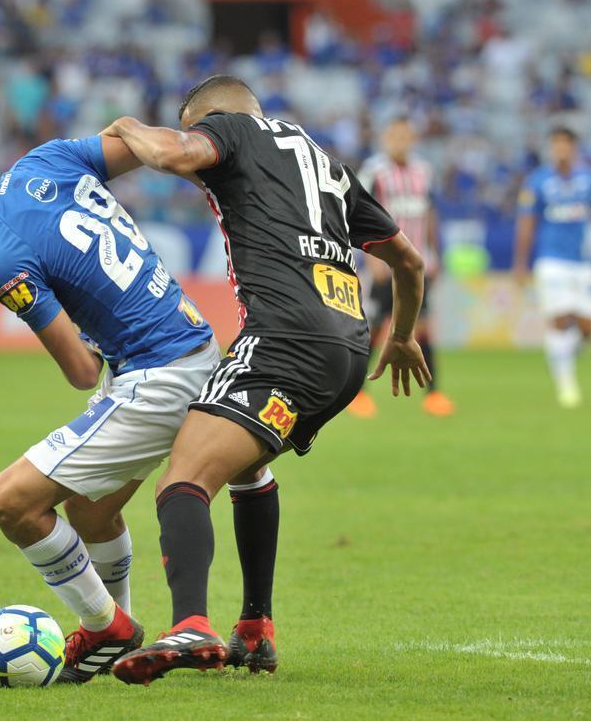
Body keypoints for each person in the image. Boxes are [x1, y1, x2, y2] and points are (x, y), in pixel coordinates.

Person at [98, 75, 429, 684]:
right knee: (248, 466)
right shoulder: (324, 162)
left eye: (198, 126)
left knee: (184, 477)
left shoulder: (231, 127)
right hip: (348, 351)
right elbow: (408, 261)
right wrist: (404, 336)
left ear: (210, 118)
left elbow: (171, 154)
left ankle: (191, 623)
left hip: (283, 341)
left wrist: (125, 127)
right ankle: (255, 629)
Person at [0, 136, 221, 682]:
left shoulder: (3, 258)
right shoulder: (45, 160)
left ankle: (106, 625)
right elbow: (135, 147)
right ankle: (114, 636)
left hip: (156, 377)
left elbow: (81, 372)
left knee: (13, 502)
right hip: (190, 340)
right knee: (90, 511)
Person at [349, 117, 454, 418]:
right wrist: (371, 259)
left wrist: (435, 253)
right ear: (385, 138)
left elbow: (430, 214)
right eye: (394, 136)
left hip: (417, 264)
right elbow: (358, 214)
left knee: (422, 327)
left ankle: (433, 395)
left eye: (405, 136)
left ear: (413, 139)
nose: (400, 141)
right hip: (386, 263)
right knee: (378, 325)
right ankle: (358, 393)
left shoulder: (424, 172)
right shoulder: (374, 172)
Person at [513, 126, 591, 408]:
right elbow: (527, 223)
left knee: (587, 327)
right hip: (551, 261)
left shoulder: (588, 178)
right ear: (551, 149)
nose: (560, 150)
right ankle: (566, 385)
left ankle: (561, 354)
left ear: (574, 148)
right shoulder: (537, 181)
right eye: (556, 145)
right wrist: (521, 262)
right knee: (560, 320)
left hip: (583, 262)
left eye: (565, 145)